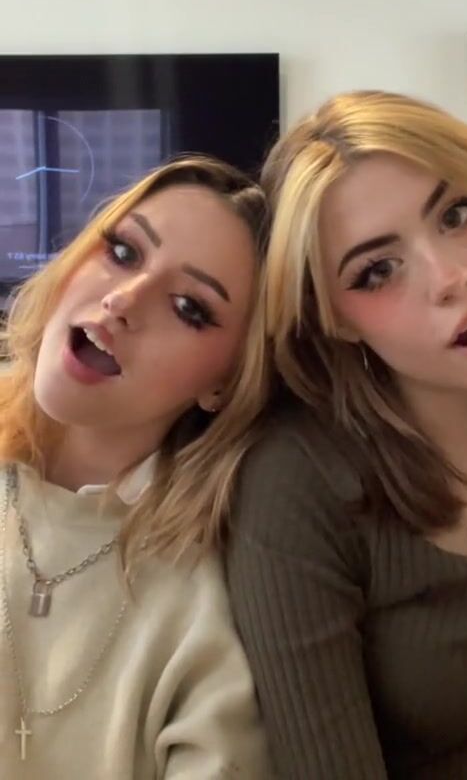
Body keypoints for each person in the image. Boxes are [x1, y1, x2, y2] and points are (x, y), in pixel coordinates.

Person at [226, 91, 467, 779]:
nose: (451, 278)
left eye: (459, 213)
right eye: (377, 271)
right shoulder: (298, 485)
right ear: (334, 319)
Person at [0, 155, 271, 778]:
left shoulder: (210, 597)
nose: (123, 300)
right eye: (122, 252)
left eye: (189, 307)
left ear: (226, 382)